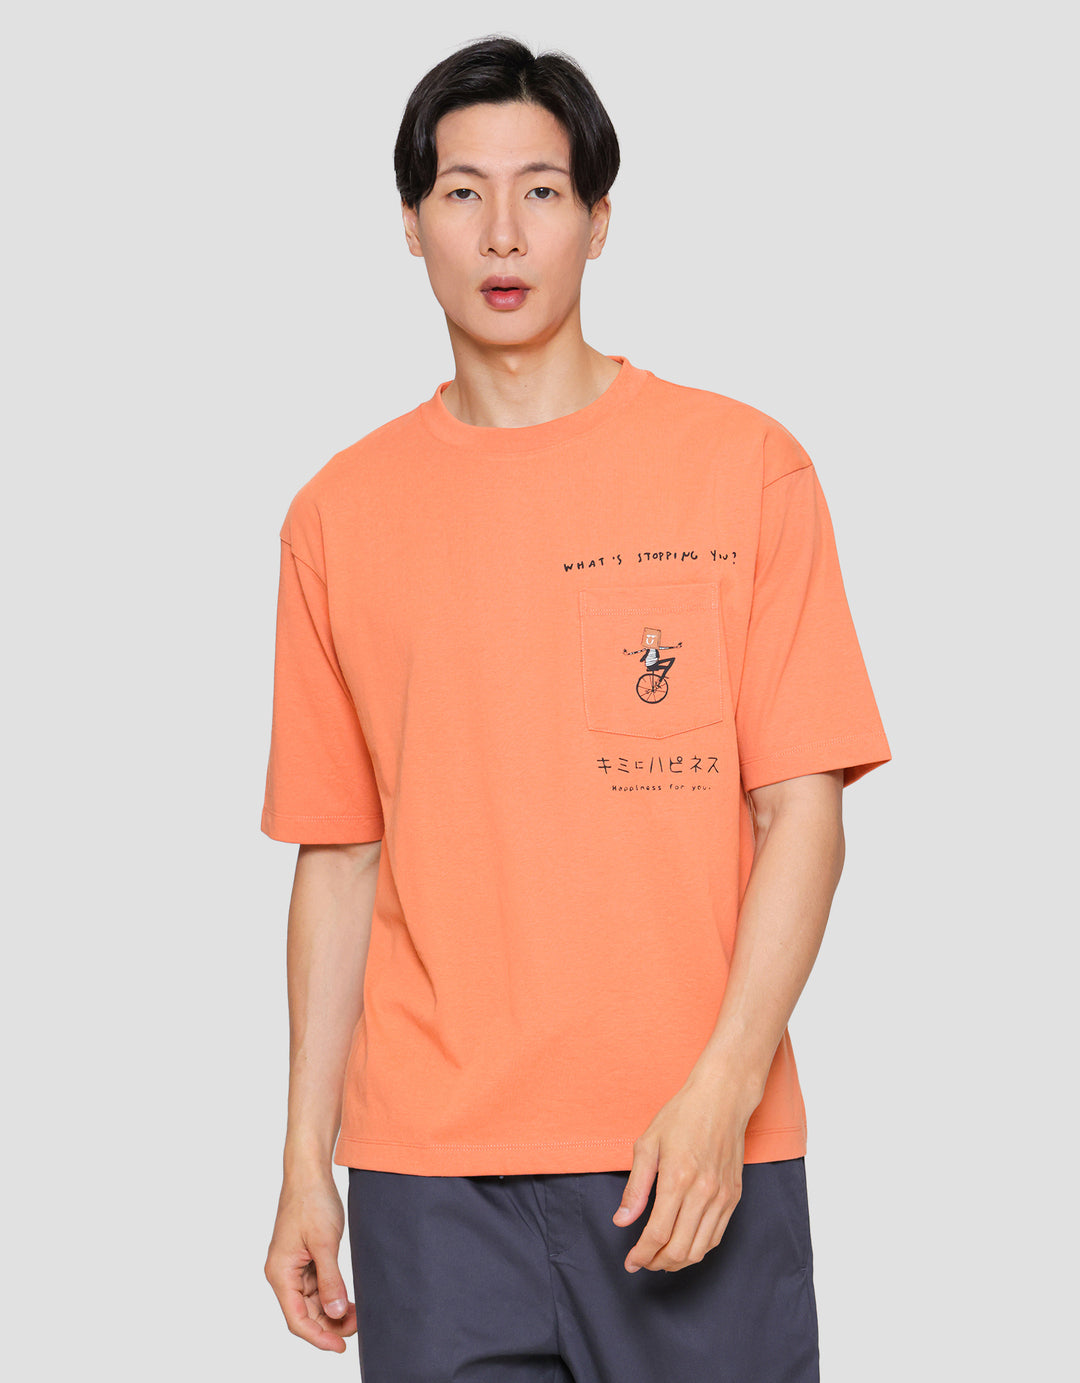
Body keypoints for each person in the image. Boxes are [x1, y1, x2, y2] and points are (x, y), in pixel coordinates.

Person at [260, 33, 891, 1383]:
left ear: (599, 221)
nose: (503, 232)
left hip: (689, 1153)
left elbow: (803, 815)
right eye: (463, 192)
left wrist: (724, 1090)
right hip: (431, 1182)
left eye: (542, 191)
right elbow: (340, 857)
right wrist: (306, 1163)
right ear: (411, 224)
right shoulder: (337, 517)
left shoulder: (744, 469)